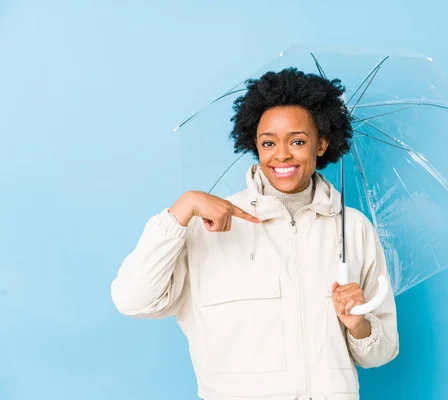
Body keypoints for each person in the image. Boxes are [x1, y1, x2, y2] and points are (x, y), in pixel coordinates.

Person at [111, 68, 399, 400]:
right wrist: (183, 208)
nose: (282, 155)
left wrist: (357, 324)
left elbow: (382, 353)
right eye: (268, 142)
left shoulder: (353, 229)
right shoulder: (207, 224)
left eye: (298, 141)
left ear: (321, 143)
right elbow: (132, 299)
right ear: (254, 145)